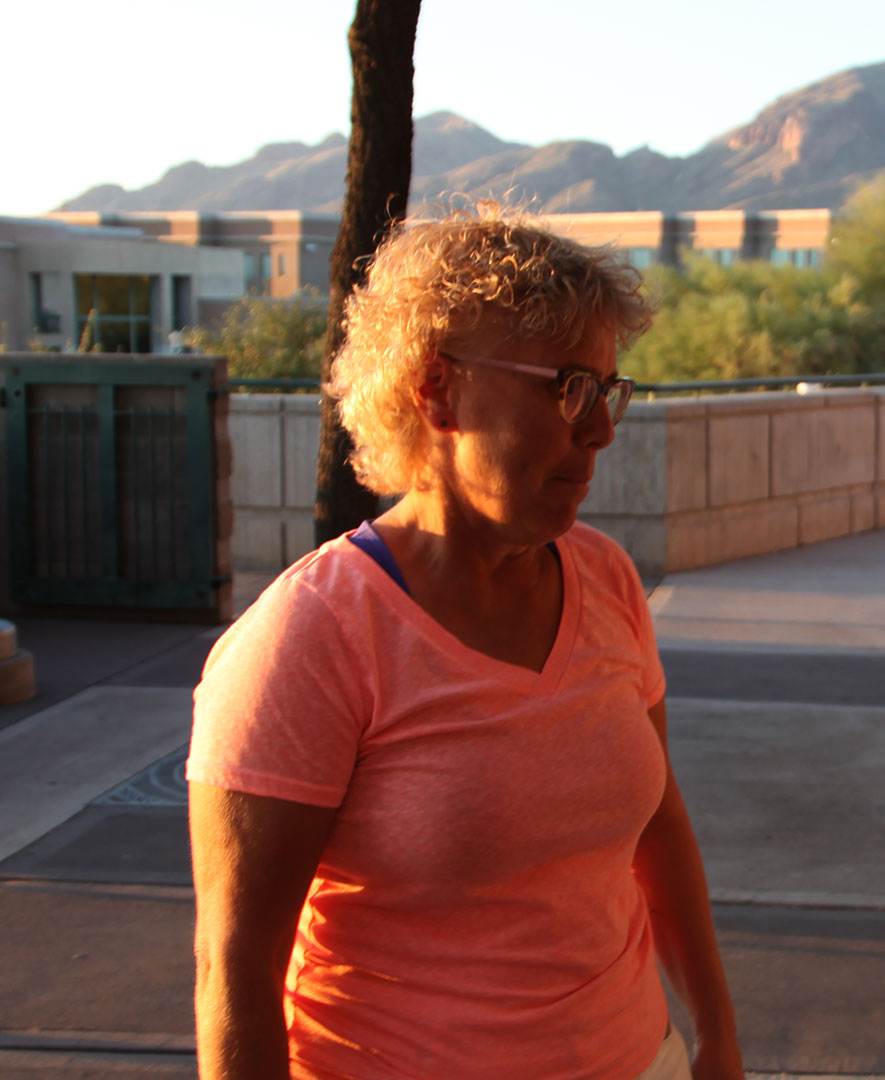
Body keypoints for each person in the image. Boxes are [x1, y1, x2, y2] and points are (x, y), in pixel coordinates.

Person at [188, 208, 743, 1080]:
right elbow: (235, 967)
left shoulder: (605, 578)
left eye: (606, 389)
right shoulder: (311, 636)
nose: (598, 428)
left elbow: (658, 827)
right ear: (436, 388)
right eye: (566, 386)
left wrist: (714, 1037)